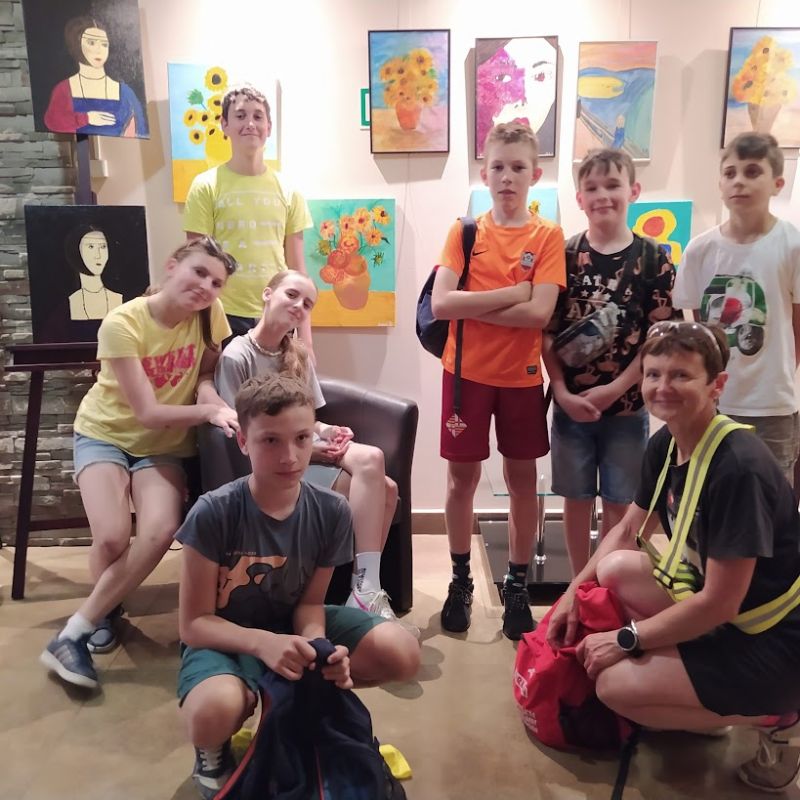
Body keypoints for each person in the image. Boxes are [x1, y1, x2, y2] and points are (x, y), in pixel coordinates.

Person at [547, 321, 800, 794]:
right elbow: (627, 531)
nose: (663, 387)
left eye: (681, 375)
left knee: (614, 687)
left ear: (717, 385)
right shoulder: (666, 444)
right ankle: (703, 700)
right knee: (614, 568)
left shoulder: (739, 468)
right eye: (653, 374)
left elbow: (720, 603)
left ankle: (777, 715)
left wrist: (626, 639)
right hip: (728, 612)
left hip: (774, 640)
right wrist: (570, 595)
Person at [176, 373, 420, 798]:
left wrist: (319, 652)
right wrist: (263, 644)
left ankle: (295, 705)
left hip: (289, 620)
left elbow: (309, 605)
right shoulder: (213, 512)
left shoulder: (333, 511)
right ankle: (218, 742)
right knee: (211, 712)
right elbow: (194, 624)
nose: (290, 456)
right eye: (270, 440)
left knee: (403, 652)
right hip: (225, 634)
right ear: (243, 442)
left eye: (302, 438)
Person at [40, 237, 239, 690]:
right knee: (112, 536)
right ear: (172, 266)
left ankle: (76, 630)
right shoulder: (121, 323)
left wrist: (209, 394)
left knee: (160, 529)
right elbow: (147, 412)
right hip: (104, 434)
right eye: (199, 272)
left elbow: (207, 371)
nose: (206, 287)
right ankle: (102, 613)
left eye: (216, 282)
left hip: (163, 446)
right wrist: (207, 413)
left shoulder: (210, 315)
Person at [213, 270, 416, 634]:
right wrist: (311, 450)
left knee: (374, 464)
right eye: (291, 295)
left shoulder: (297, 355)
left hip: (305, 446)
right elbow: (243, 433)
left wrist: (327, 432)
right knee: (385, 490)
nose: (298, 306)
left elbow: (311, 418)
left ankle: (364, 589)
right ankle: (364, 592)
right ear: (267, 294)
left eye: (307, 304)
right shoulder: (236, 355)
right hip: (273, 461)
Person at [431, 121, 566, 640]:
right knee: (461, 481)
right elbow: (442, 304)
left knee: (522, 482)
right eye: (498, 167)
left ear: (534, 175)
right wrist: (513, 293)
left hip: (521, 379)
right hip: (464, 375)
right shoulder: (465, 232)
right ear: (484, 173)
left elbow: (539, 314)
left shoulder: (546, 235)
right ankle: (460, 578)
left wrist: (473, 305)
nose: (507, 176)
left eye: (518, 167)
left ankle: (516, 583)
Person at [542, 148, 675, 575]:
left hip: (628, 409)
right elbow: (546, 331)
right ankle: (579, 586)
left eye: (613, 185)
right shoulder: (562, 255)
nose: (602, 195)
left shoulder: (654, 259)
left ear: (633, 190)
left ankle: (608, 585)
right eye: (592, 187)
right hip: (571, 408)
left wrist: (614, 389)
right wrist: (561, 391)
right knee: (575, 500)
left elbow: (658, 339)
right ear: (579, 198)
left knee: (621, 503)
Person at [674, 132, 800, 485]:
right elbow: (697, 331)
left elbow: (797, 326)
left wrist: (776, 376)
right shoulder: (699, 251)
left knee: (771, 496)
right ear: (720, 184)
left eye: (752, 172)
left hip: (772, 405)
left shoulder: (792, 245)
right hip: (711, 403)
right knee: (707, 492)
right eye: (730, 173)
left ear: (777, 183)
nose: (739, 181)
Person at [183, 84, 314, 353]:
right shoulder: (205, 186)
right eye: (241, 115)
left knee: (277, 383)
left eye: (258, 116)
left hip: (279, 313)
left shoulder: (289, 190)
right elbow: (197, 267)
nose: (250, 124)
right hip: (223, 316)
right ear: (225, 124)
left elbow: (297, 270)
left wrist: (306, 341)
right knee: (226, 382)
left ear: (269, 127)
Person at [44, 16, 148, 137]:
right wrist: (86, 118)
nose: (99, 50)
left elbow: (140, 132)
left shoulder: (125, 93)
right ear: (77, 44)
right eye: (91, 43)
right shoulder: (64, 89)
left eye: (104, 44)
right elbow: (52, 123)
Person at [65, 225, 123, 321]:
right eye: (91, 247)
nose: (98, 255)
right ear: (77, 251)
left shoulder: (118, 299)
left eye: (103, 247)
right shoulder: (70, 302)